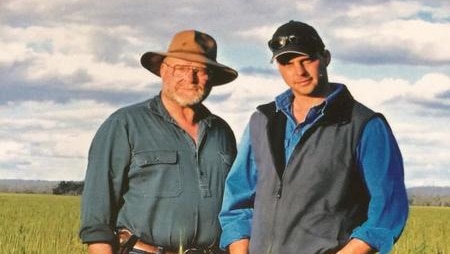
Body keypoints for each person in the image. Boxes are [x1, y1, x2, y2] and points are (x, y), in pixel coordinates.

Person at [219, 20, 409, 254]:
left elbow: (387, 212)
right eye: (287, 62)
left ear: (326, 57)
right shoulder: (263, 120)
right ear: (278, 66)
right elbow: (238, 200)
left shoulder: (365, 125)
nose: (299, 71)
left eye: (307, 59)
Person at [80, 30, 238, 254]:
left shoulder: (222, 132)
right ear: (163, 70)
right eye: (181, 68)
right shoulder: (124, 124)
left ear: (211, 76)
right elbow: (97, 220)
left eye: (200, 70)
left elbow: (237, 208)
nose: (190, 78)